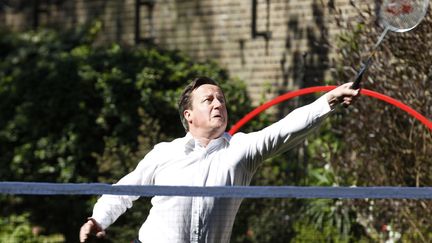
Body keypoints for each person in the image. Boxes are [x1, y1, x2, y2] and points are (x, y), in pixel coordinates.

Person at [79, 76, 359, 243]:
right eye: (208, 100)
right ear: (188, 116)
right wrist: (97, 221)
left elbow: (285, 129)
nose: (218, 104)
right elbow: (124, 191)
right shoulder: (165, 152)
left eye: (221, 99)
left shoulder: (242, 150)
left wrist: (329, 100)